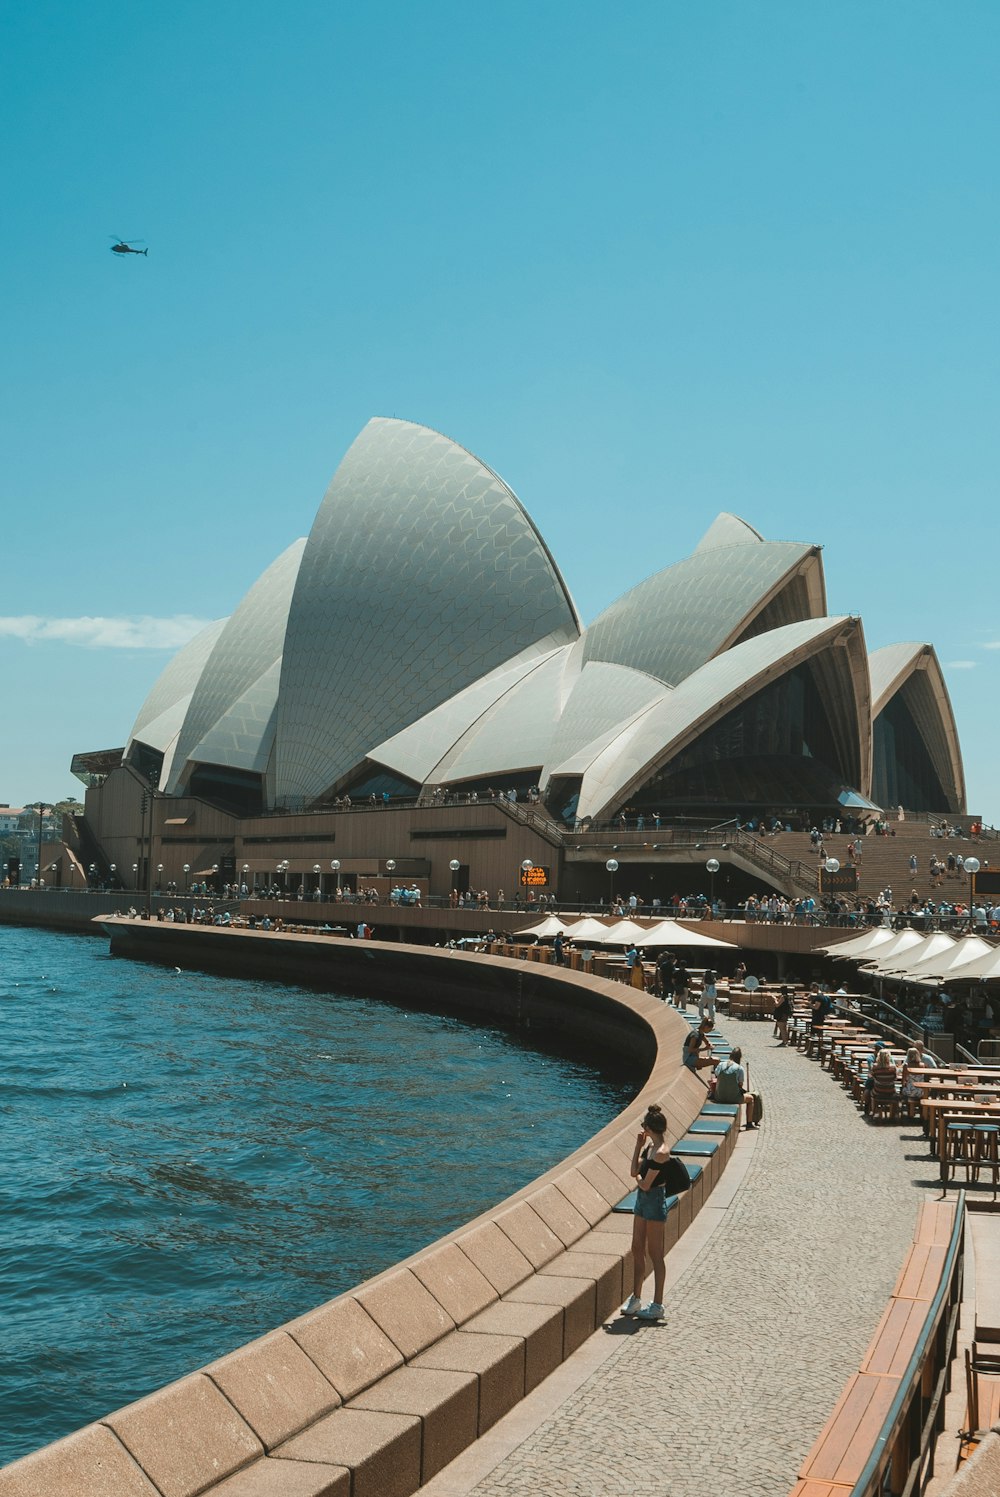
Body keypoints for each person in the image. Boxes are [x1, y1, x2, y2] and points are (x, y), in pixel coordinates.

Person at [622, 1104, 673, 1321]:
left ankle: (658, 1304)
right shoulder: (649, 1147)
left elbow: (645, 1184)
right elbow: (634, 1172)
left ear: (652, 1128)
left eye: (644, 1126)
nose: (643, 1129)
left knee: (655, 1254)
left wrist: (639, 1179)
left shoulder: (662, 1153)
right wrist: (637, 1146)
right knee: (636, 1248)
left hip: (654, 1202)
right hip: (642, 1202)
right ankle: (636, 1298)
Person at [713, 1046, 757, 1130]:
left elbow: (717, 1075)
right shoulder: (739, 1068)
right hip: (733, 1098)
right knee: (751, 1099)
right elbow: (740, 1085)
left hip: (719, 1096)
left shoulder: (721, 1064)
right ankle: (749, 1123)